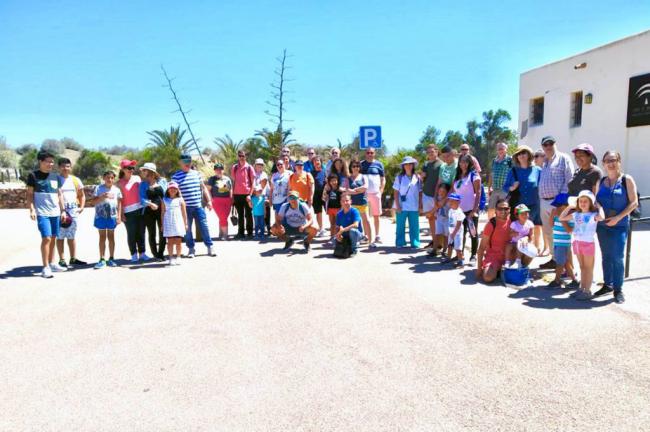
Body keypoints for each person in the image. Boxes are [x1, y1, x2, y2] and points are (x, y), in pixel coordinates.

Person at [595, 150, 639, 304]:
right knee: (606, 256)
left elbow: (634, 203)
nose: (611, 163)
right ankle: (607, 284)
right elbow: (596, 200)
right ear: (603, 164)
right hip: (602, 225)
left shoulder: (627, 179)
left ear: (619, 161)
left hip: (619, 225)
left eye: (614, 160)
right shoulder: (600, 182)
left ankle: (618, 289)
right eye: (607, 160)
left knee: (618, 257)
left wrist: (618, 218)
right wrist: (598, 208)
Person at [26, 150, 67, 278]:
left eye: (52, 162)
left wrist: (63, 210)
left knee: (54, 238)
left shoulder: (55, 176)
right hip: (42, 213)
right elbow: (29, 194)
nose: (51, 164)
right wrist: (31, 209)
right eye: (48, 161)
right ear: (40, 161)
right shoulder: (33, 175)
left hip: (55, 213)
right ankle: (45, 267)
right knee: (47, 238)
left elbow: (59, 194)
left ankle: (52, 263)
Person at [538, 136, 575, 269]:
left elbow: (569, 181)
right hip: (544, 202)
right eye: (545, 144)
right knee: (548, 232)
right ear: (543, 147)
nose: (548, 146)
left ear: (555, 144)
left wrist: (559, 204)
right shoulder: (544, 162)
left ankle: (567, 266)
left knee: (561, 234)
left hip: (558, 203)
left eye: (550, 143)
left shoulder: (563, 158)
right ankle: (554, 259)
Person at [560, 190, 605, 301]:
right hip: (577, 243)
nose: (583, 203)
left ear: (591, 203)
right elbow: (561, 217)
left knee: (588, 268)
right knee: (582, 267)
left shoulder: (593, 215)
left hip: (588, 243)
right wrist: (570, 207)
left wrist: (599, 207)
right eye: (580, 201)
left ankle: (587, 290)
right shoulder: (575, 214)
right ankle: (582, 288)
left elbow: (602, 218)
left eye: (586, 201)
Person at [171, 154, 215, 257]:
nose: (187, 164)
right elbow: (173, 192)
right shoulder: (176, 176)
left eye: (189, 161)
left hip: (198, 206)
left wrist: (208, 201)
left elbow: (203, 188)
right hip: (185, 209)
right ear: (180, 163)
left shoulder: (197, 174)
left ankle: (210, 247)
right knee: (188, 229)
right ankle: (191, 249)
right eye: (185, 162)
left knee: (204, 226)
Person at [502, 145, 542, 257]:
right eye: (519, 154)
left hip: (533, 206)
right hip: (517, 207)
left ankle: (527, 255)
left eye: (524, 153)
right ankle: (516, 256)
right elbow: (505, 187)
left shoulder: (537, 170)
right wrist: (512, 188)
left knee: (529, 231)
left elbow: (543, 186)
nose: (521, 155)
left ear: (529, 155)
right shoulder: (513, 171)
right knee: (517, 232)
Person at [475, 199, 520, 282]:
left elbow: (527, 232)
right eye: (500, 209)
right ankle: (499, 270)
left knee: (531, 251)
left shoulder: (514, 222)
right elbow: (481, 248)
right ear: (495, 210)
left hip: (510, 254)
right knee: (487, 277)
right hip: (494, 257)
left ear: (509, 209)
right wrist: (479, 269)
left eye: (506, 209)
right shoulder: (491, 224)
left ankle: (507, 270)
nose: (503, 211)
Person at [55, 157, 87, 268]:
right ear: (59, 167)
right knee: (60, 236)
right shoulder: (56, 179)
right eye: (63, 166)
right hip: (60, 211)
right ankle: (62, 259)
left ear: (70, 167)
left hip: (73, 211)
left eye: (67, 166)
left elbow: (82, 195)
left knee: (71, 236)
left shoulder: (75, 180)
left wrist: (82, 207)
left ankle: (73, 258)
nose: (65, 168)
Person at [451, 154, 481, 262]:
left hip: (470, 210)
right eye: (461, 162)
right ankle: (460, 254)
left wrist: (474, 209)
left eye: (465, 162)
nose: (463, 164)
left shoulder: (474, 175)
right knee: (459, 233)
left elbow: (478, 192)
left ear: (469, 163)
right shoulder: (457, 175)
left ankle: (473, 255)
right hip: (459, 210)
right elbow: (454, 192)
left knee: (473, 232)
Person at [117, 159, 149, 263]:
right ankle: (133, 254)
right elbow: (119, 200)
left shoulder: (137, 178)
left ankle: (142, 253)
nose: (131, 170)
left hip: (140, 209)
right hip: (128, 212)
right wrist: (121, 214)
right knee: (131, 234)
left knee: (141, 233)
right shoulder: (119, 183)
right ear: (123, 169)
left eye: (132, 168)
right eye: (129, 168)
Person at [546, 193, 579, 289]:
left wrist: (561, 218)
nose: (556, 208)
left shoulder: (571, 216)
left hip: (563, 243)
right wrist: (552, 214)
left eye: (558, 206)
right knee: (565, 262)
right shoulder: (556, 213)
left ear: (567, 206)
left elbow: (569, 230)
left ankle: (557, 281)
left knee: (560, 263)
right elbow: (551, 225)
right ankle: (574, 281)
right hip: (557, 242)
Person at [92, 170, 122, 269]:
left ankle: (111, 258)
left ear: (114, 179)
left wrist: (119, 216)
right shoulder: (98, 188)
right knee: (102, 237)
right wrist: (102, 196)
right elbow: (93, 202)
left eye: (112, 178)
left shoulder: (116, 190)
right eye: (107, 177)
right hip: (100, 216)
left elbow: (119, 203)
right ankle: (102, 259)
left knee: (111, 237)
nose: (109, 179)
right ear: (104, 178)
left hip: (112, 217)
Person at [139, 162, 167, 261]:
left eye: (145, 170)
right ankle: (155, 254)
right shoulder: (143, 184)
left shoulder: (162, 181)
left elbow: (166, 195)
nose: (143, 172)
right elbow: (141, 199)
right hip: (148, 211)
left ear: (151, 172)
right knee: (152, 233)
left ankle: (161, 254)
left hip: (162, 211)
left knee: (163, 231)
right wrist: (150, 204)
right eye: (143, 170)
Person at [393, 156, 422, 248]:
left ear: (413, 165)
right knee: (400, 226)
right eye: (406, 164)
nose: (408, 166)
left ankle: (415, 243)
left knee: (414, 226)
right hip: (402, 205)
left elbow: (420, 192)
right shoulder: (399, 178)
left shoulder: (417, 177)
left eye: (410, 164)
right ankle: (400, 242)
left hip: (414, 205)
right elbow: (396, 192)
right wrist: (397, 206)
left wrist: (420, 205)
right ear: (403, 166)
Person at [360, 147, 386, 246]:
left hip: (375, 193)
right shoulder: (361, 164)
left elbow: (383, 179)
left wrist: (381, 191)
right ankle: (366, 236)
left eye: (371, 153)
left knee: (376, 215)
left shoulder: (379, 164)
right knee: (365, 216)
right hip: (364, 194)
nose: (370, 154)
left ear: (374, 153)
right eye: (368, 152)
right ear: (365, 153)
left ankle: (377, 236)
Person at [161, 181, 188, 266]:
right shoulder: (164, 200)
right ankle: (171, 257)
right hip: (168, 222)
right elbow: (162, 213)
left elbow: (184, 213)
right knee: (170, 241)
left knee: (178, 241)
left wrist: (185, 224)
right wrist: (162, 225)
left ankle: (178, 256)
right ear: (168, 190)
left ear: (177, 190)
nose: (173, 190)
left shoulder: (180, 200)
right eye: (171, 188)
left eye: (175, 188)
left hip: (178, 222)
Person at [344, 160, 371, 245]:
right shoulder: (348, 178)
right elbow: (347, 190)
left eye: (357, 166)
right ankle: (357, 239)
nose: (355, 168)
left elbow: (365, 187)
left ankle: (369, 240)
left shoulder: (363, 177)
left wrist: (354, 190)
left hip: (362, 203)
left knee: (366, 221)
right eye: (353, 166)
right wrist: (359, 190)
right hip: (353, 204)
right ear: (351, 168)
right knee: (355, 223)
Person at [230, 150, 255, 240]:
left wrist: (250, 194)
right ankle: (240, 233)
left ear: (245, 157)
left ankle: (250, 233)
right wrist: (232, 195)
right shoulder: (234, 167)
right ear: (238, 156)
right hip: (237, 194)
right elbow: (233, 181)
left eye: (243, 156)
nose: (241, 157)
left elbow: (253, 182)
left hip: (247, 195)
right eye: (240, 156)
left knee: (248, 214)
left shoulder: (249, 168)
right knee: (240, 215)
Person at [421, 145, 442, 249]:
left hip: (437, 196)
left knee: (439, 220)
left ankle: (440, 243)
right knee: (430, 218)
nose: (430, 154)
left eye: (432, 152)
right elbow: (423, 177)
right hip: (426, 194)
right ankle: (434, 242)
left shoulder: (441, 165)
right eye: (428, 152)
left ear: (437, 152)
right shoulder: (426, 164)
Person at [206, 163, 233, 241]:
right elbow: (208, 190)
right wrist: (210, 201)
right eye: (217, 169)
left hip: (227, 200)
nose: (219, 171)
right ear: (214, 170)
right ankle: (225, 235)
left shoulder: (227, 179)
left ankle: (221, 233)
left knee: (223, 217)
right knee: (223, 217)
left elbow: (230, 189)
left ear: (223, 170)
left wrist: (231, 199)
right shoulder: (212, 179)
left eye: (220, 169)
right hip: (217, 200)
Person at [504, 204, 534, 268]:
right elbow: (510, 234)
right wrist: (514, 234)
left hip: (524, 244)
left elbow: (531, 237)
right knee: (508, 246)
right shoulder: (514, 224)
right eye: (522, 214)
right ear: (517, 216)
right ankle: (507, 262)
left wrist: (527, 238)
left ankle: (518, 261)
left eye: (526, 213)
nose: (525, 215)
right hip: (513, 242)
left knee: (519, 244)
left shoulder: (530, 224)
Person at [487, 142, 512, 219]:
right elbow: (492, 174)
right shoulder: (494, 160)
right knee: (491, 208)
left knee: (505, 209)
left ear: (506, 150)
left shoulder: (509, 160)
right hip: (495, 189)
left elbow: (513, 173)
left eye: (502, 149)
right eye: (498, 149)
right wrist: (489, 187)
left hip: (505, 189)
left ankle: (505, 227)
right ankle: (491, 226)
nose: (500, 150)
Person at [426, 183, 450, 258]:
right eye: (440, 191)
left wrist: (430, 213)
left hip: (447, 219)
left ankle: (445, 250)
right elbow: (436, 207)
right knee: (437, 234)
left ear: (447, 192)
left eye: (443, 191)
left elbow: (439, 207)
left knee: (446, 235)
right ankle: (434, 249)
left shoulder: (448, 199)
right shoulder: (437, 198)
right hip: (439, 218)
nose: (441, 193)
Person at [533, 148, 549, 256]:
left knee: (544, 225)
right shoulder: (534, 170)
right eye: (536, 156)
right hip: (535, 199)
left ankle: (546, 247)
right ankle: (536, 246)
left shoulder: (546, 169)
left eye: (538, 156)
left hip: (543, 200)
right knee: (536, 225)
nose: (535, 158)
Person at [444, 193, 465, 267]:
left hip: (457, 233)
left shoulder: (459, 212)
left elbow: (459, 224)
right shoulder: (450, 210)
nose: (450, 202)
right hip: (451, 232)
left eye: (453, 201)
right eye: (450, 200)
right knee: (449, 245)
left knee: (458, 248)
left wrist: (454, 233)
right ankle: (448, 258)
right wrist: (450, 232)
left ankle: (460, 261)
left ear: (458, 202)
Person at [310, 156, 328, 236]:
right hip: (315, 195)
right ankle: (321, 229)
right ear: (313, 163)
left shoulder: (325, 172)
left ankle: (333, 228)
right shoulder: (311, 173)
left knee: (329, 211)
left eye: (318, 161)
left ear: (321, 162)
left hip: (324, 194)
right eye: (315, 161)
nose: (317, 162)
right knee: (319, 212)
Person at [252, 158, 271, 236]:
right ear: (255, 166)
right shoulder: (253, 174)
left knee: (266, 213)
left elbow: (267, 186)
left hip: (264, 196)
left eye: (261, 165)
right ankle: (258, 230)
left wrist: (269, 196)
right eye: (258, 164)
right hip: (255, 196)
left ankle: (268, 229)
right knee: (257, 213)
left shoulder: (264, 174)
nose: (259, 166)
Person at [323, 174, 343, 239]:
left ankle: (338, 237)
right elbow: (324, 198)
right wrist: (325, 194)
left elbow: (342, 199)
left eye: (335, 181)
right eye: (331, 181)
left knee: (338, 224)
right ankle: (332, 237)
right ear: (329, 182)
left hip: (338, 209)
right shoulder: (328, 190)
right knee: (332, 224)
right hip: (330, 208)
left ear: (337, 181)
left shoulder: (340, 190)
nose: (333, 182)